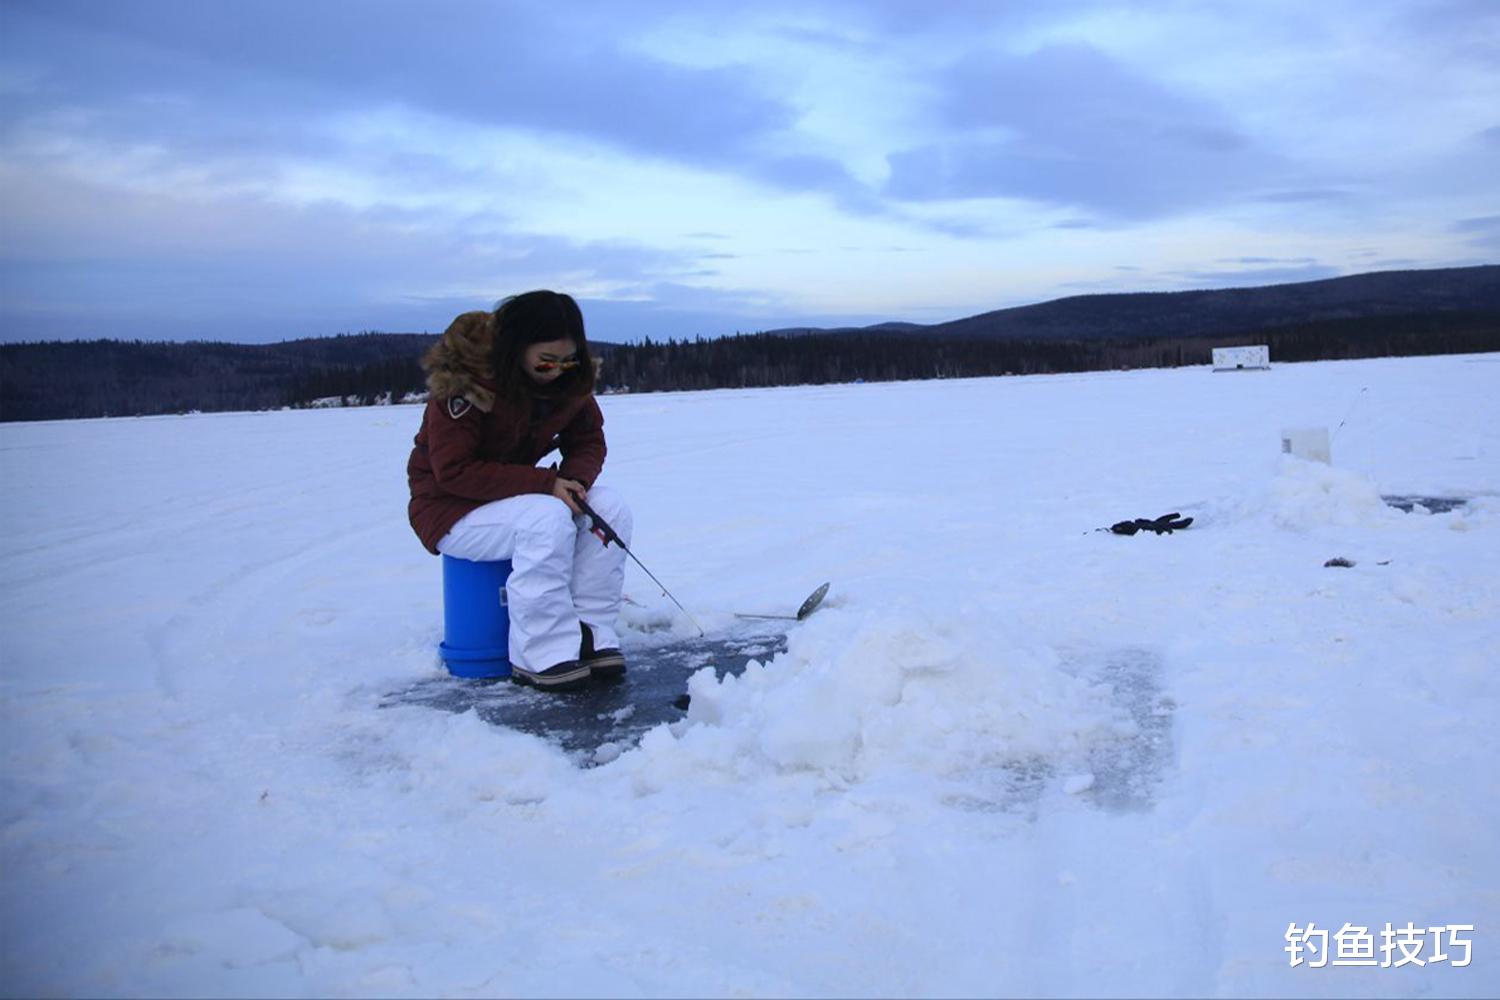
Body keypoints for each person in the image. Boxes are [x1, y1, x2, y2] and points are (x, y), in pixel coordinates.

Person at [407, 291, 632, 690]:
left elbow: (588, 441)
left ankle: (590, 636)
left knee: (609, 507)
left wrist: (576, 482)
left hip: (512, 500)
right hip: (448, 509)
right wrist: (545, 484)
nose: (558, 370)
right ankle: (541, 653)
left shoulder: (567, 385)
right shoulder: (467, 387)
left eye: (569, 359)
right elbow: (454, 471)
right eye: (547, 359)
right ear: (516, 348)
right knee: (544, 519)